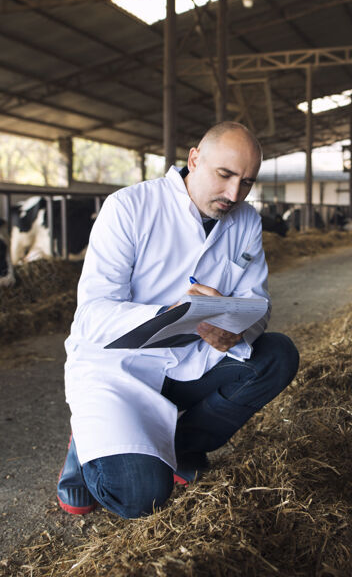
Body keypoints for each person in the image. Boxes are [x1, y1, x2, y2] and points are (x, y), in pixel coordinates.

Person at [56, 121, 299, 518]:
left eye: (247, 182)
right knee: (140, 497)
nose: (234, 194)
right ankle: (87, 441)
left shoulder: (247, 221)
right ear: (194, 159)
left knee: (277, 355)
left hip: (193, 360)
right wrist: (165, 314)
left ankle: (180, 446)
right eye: (224, 175)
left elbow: (259, 303)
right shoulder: (129, 207)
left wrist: (234, 330)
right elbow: (92, 315)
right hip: (120, 368)